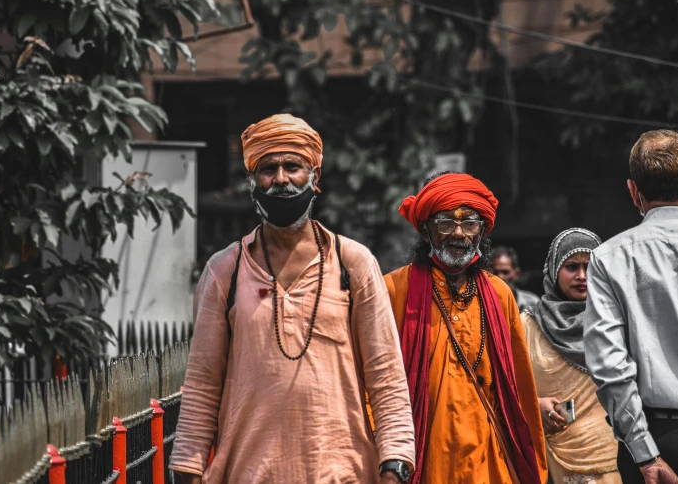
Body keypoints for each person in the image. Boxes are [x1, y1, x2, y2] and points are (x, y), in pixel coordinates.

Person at [170, 114, 416, 484]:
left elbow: (386, 376)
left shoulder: (353, 263)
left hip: (342, 473)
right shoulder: (225, 270)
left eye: (293, 166)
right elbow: (204, 383)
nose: (281, 179)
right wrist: (187, 467)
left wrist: (395, 461)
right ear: (252, 182)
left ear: (314, 178)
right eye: (268, 169)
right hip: (247, 473)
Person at [584, 129, 678, 484]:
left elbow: (610, 369)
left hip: (655, 441)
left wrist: (644, 454)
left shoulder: (609, 258)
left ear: (634, 192)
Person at [384, 172, 548, 484]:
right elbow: (373, 384)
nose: (458, 233)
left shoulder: (500, 293)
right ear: (425, 228)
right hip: (423, 458)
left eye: (470, 223)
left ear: (482, 230)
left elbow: (520, 391)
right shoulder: (393, 290)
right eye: (446, 222)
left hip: (488, 457)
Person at [521, 228, 621, 484]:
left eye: (590, 266)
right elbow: (503, 384)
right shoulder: (527, 324)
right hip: (548, 454)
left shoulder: (618, 321)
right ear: (554, 270)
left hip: (612, 455)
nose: (582, 276)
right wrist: (533, 405)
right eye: (571, 266)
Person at [491, 246, 540, 313]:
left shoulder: (532, 303)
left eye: (505, 272)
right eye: (495, 273)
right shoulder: (481, 304)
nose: (500, 277)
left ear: (516, 273)